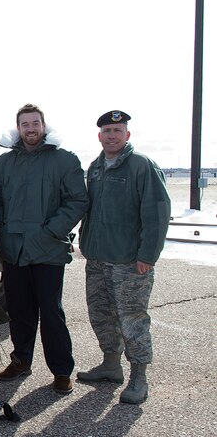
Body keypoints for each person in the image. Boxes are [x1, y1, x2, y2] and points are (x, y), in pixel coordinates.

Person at [0, 103, 88, 394]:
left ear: (43, 126)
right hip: (15, 250)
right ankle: (21, 361)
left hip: (48, 249)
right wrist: (4, 227)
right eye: (25, 124)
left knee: (51, 312)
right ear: (17, 128)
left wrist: (52, 230)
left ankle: (61, 370)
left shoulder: (63, 160)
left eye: (35, 123)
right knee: (19, 311)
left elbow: (77, 200)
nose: (30, 129)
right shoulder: (5, 163)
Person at [77, 110, 170, 404]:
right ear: (100, 136)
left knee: (132, 319)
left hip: (130, 261)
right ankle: (111, 364)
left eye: (117, 130)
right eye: (107, 131)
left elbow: (157, 213)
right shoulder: (96, 167)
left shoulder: (141, 166)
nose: (112, 136)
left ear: (127, 135)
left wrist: (148, 255)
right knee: (101, 315)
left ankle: (139, 376)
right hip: (97, 259)